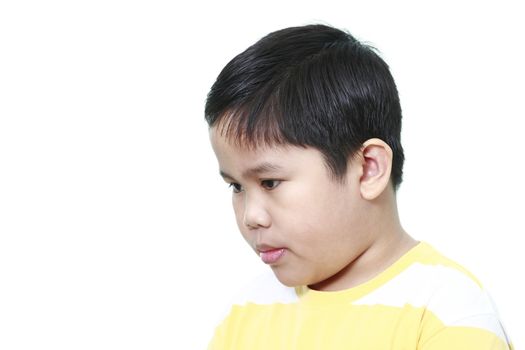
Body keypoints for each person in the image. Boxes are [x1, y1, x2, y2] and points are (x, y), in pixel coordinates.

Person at [203, 23, 513, 349]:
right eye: (236, 187)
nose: (251, 216)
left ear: (368, 169)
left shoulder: (446, 312)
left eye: (270, 182)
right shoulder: (246, 313)